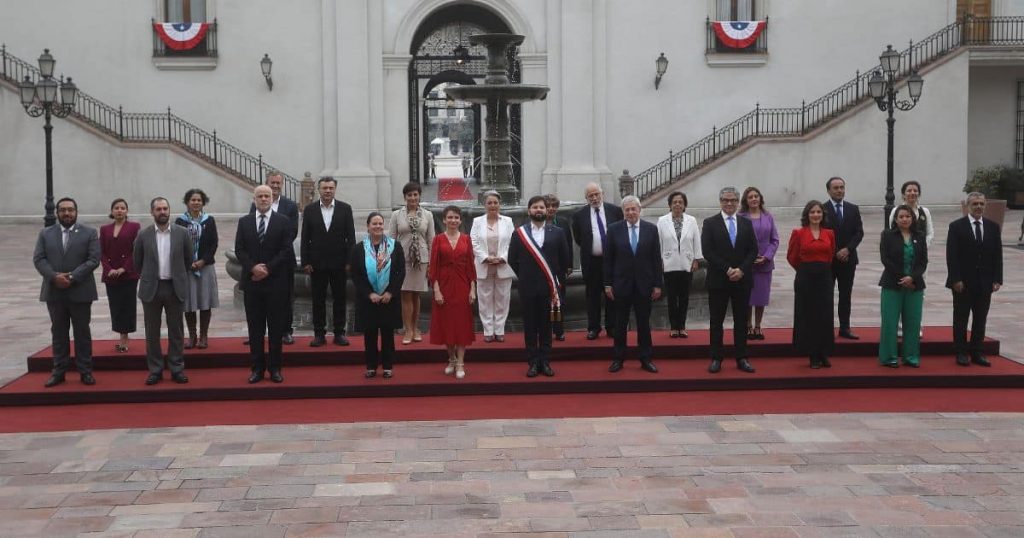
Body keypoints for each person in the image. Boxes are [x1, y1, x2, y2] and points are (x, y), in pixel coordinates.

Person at [33, 197, 100, 387]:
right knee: (59, 333)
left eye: (70, 210)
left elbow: (93, 259)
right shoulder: (45, 234)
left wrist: (71, 277)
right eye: (63, 210)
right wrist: (54, 277)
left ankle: (85, 371)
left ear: (76, 212)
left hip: (80, 291)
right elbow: (39, 259)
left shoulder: (89, 233)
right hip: (54, 292)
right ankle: (59, 371)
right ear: (57, 213)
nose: (67, 213)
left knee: (82, 333)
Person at [236, 185, 296, 383]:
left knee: (276, 329)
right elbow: (240, 250)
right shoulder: (244, 222)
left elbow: (286, 250)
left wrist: (268, 269)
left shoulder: (283, 221)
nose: (263, 199)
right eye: (260, 196)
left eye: (267, 196)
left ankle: (275, 368)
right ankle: (257, 369)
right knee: (255, 329)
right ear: (254, 199)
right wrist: (253, 268)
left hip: (276, 283)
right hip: (253, 283)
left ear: (272, 198)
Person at [508, 196, 571, 377]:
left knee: (546, 326)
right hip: (527, 287)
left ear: (546, 210)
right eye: (535, 207)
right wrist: (527, 276)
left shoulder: (557, 232)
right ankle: (533, 362)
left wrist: (553, 281)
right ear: (529, 211)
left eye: (542, 207)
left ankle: (545, 361)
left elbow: (564, 259)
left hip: (549, 288)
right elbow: (512, 259)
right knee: (530, 326)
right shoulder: (519, 233)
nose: (539, 210)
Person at [134, 197, 193, 385]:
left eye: (165, 208)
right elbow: (137, 262)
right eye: (158, 209)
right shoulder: (143, 235)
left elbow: (188, 259)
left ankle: (176, 368)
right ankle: (155, 370)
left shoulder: (182, 233)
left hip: (174, 287)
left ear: (170, 210)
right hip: (152, 288)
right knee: (152, 332)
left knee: (176, 331)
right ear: (152, 212)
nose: (162, 212)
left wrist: (178, 276)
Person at [604, 196, 664, 373]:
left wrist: (657, 284)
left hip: (644, 285)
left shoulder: (651, 229)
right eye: (627, 210)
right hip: (621, 285)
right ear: (623, 212)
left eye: (633, 209)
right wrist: (607, 284)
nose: (630, 212)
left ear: (639, 210)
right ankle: (618, 358)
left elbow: (655, 259)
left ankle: (645, 358)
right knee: (620, 324)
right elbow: (608, 260)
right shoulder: (614, 230)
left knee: (644, 325)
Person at [702, 187, 758, 374]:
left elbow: (753, 250)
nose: (729, 203)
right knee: (716, 321)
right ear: (720, 201)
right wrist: (727, 269)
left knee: (741, 321)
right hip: (719, 280)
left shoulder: (746, 223)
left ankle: (742, 357)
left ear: (737, 202)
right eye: (726, 200)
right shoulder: (710, 223)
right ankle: (716, 357)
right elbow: (707, 251)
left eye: (733, 200)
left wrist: (741, 269)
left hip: (742, 280)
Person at [946, 192, 1003, 367]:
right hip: (963, 282)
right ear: (968, 206)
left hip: (985, 282)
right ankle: (961, 351)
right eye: (975, 204)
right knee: (961, 318)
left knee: (980, 319)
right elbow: (952, 255)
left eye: (981, 203)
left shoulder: (993, 227)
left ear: (985, 205)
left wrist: (997, 278)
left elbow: (997, 255)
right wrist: (955, 279)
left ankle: (977, 351)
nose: (978, 207)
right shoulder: (956, 226)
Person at [300, 176, 355, 347]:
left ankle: (339, 333)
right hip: (317, 264)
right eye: (325, 188)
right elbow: (305, 238)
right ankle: (319, 334)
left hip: (339, 264)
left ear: (335, 189)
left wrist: (349, 261)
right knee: (318, 300)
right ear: (319, 189)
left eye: (331, 188)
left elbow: (350, 238)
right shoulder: (309, 210)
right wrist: (305, 262)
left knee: (340, 298)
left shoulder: (345, 209)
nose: (328, 191)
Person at [350, 212, 406, 379]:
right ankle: (371, 366)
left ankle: (388, 366)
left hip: (389, 298)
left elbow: (400, 272)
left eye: (380, 223)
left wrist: (391, 292)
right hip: (369, 300)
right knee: (370, 335)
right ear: (368, 226)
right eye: (374, 224)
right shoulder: (359, 249)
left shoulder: (395, 246)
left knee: (388, 334)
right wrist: (369, 293)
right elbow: (356, 275)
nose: (378, 226)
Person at [249, 171, 299, 344]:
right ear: (267, 183)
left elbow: (292, 233)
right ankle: (258, 333)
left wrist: (272, 261)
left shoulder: (290, 206)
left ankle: (286, 330)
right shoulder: (256, 203)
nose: (276, 186)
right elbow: (252, 231)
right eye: (273, 182)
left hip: (282, 261)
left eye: (278, 183)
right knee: (258, 300)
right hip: (260, 262)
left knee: (285, 297)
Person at [428, 206, 477, 379]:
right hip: (444, 286)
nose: (453, 220)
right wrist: (436, 291)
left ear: (460, 220)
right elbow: (433, 267)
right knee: (447, 325)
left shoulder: (466, 239)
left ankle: (461, 362)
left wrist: (473, 289)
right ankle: (451, 359)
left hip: (463, 285)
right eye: (450, 217)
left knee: (461, 325)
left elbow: (471, 265)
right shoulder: (437, 240)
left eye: (456, 217)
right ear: (444, 220)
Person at [787, 201, 836, 369]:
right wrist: (805, 270)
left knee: (824, 314)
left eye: (819, 212)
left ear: (823, 215)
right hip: (805, 277)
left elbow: (831, 255)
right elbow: (792, 256)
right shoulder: (799, 233)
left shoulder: (829, 233)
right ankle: (812, 354)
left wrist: (821, 269)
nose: (816, 215)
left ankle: (823, 352)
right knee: (808, 315)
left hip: (824, 277)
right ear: (807, 215)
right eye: (812, 212)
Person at [571, 182, 623, 340]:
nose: (594, 198)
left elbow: (621, 232)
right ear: (586, 198)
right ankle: (593, 328)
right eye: (590, 196)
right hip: (592, 262)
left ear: (602, 194)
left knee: (612, 295)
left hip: (612, 261)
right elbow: (579, 238)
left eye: (596, 194)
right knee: (592, 296)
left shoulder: (614, 211)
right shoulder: (579, 215)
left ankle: (612, 327)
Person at [878, 205, 928, 368]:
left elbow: (923, 262)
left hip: (914, 286)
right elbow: (885, 259)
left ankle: (911, 357)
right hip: (893, 284)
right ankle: (889, 357)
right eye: (901, 216)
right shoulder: (887, 235)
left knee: (913, 323)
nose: (905, 219)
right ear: (896, 219)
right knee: (890, 323)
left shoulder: (920, 236)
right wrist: (902, 277)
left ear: (912, 219)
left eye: (908, 216)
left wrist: (912, 277)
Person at [389, 182, 436, 345]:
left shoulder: (428, 215)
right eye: (409, 195)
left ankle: (416, 328)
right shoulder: (396, 215)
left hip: (421, 259)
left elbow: (432, 240)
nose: (413, 198)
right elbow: (391, 239)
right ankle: (407, 329)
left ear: (419, 196)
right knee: (405, 294)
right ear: (405, 197)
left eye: (415, 194)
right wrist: (390, 260)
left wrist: (431, 263)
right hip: (402, 259)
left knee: (416, 294)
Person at [888, 180, 934, 337]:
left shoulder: (925, 212)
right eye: (909, 190)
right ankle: (900, 327)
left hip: (920, 260)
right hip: (902, 258)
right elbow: (891, 232)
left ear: (919, 193)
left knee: (919, 292)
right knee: (901, 289)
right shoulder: (896, 211)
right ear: (903, 194)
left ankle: (916, 326)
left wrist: (921, 247)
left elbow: (930, 233)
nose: (912, 193)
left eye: (915, 190)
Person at [175, 188, 219, 350]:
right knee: (189, 303)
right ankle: (192, 336)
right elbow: (177, 244)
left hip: (205, 267)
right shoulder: (180, 222)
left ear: (203, 202)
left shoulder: (209, 220)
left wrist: (202, 261)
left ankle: (204, 336)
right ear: (187, 202)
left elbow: (214, 243)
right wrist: (190, 262)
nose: (196, 203)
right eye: (193, 200)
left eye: (199, 200)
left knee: (205, 301)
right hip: (187, 268)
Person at [822, 176, 864, 340]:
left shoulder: (853, 208)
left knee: (845, 295)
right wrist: (836, 251)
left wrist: (848, 249)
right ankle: (826, 329)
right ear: (828, 190)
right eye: (836, 188)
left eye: (842, 187)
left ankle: (845, 327)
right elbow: (822, 234)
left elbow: (859, 232)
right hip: (829, 261)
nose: (839, 190)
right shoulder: (822, 209)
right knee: (826, 295)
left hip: (848, 259)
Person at [470, 191, 514, 342]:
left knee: (502, 298)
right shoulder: (477, 222)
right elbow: (474, 241)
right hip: (484, 265)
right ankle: (488, 330)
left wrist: (503, 258)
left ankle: (500, 329)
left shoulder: (508, 221)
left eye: (495, 202)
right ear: (484, 205)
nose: (493, 205)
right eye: (489, 203)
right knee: (485, 299)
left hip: (503, 264)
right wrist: (485, 257)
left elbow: (512, 242)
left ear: (499, 204)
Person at [656, 191, 701, 338]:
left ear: (685, 205)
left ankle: (682, 326)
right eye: (674, 202)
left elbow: (696, 241)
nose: (677, 204)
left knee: (684, 297)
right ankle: (673, 327)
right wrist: (660, 260)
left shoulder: (691, 220)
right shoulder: (662, 221)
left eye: (680, 202)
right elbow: (659, 242)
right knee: (671, 297)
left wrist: (696, 259)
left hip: (686, 264)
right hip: (669, 264)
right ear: (670, 204)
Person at [99, 198, 140, 353]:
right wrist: (108, 268)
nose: (119, 210)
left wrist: (124, 268)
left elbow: (135, 250)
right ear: (112, 211)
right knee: (115, 306)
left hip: (128, 274)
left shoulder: (134, 227)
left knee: (127, 306)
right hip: (110, 275)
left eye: (123, 208)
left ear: (127, 211)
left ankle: (125, 338)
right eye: (116, 208)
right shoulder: (104, 229)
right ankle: (119, 334)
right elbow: (101, 251)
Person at [739, 186, 779, 341]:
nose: (754, 199)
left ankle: (758, 326)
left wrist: (767, 256)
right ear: (746, 201)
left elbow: (774, 240)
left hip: (764, 264)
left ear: (760, 199)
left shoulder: (768, 216)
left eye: (756, 196)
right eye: (750, 197)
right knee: (748, 297)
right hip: (746, 264)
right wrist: (748, 257)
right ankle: (747, 325)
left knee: (761, 297)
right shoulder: (741, 217)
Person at [544, 193, 574, 341]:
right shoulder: (537, 223)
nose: (551, 209)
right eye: (548, 206)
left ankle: (558, 329)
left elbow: (568, 245)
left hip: (558, 269)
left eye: (554, 206)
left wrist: (569, 265)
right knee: (543, 301)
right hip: (541, 269)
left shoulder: (562, 222)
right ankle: (545, 329)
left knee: (558, 301)